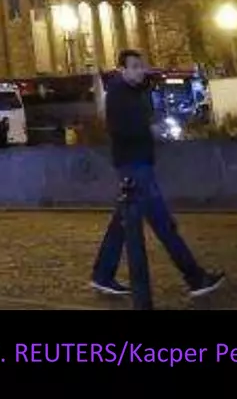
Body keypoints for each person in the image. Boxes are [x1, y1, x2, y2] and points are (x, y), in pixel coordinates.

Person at [90, 49, 225, 299]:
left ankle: (102, 275)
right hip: (134, 165)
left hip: (137, 163)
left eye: (141, 66)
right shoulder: (119, 95)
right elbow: (120, 129)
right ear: (123, 69)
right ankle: (195, 277)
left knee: (122, 224)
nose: (140, 70)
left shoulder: (134, 92)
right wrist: (149, 129)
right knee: (162, 223)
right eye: (135, 66)